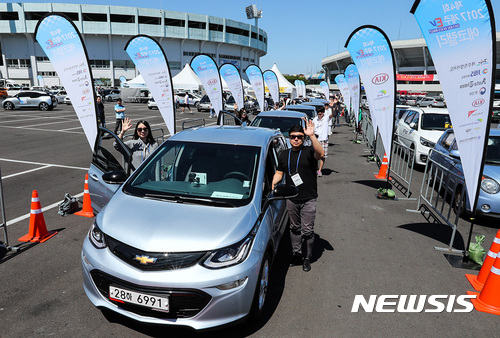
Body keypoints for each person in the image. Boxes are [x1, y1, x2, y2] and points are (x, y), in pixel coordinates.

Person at [272, 121, 324, 272]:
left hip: (308, 198)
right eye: (293, 137)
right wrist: (273, 183)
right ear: (289, 138)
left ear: (303, 138)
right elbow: (280, 172)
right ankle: (296, 253)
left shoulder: (308, 151)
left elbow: (320, 154)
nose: (296, 139)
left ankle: (307, 257)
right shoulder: (284, 154)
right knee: (294, 228)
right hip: (291, 197)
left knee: (307, 230)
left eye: (300, 137)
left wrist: (312, 136)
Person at [313, 105, 333, 177]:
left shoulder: (326, 118)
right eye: (318, 112)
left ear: (323, 112)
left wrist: (334, 107)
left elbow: (332, 114)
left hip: (324, 139)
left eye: (321, 112)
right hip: (316, 140)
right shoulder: (315, 119)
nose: (320, 114)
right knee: (315, 156)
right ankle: (316, 168)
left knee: (323, 156)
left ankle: (319, 170)